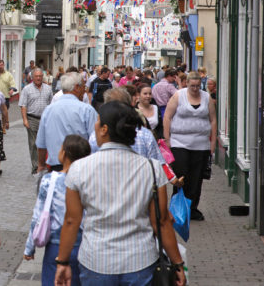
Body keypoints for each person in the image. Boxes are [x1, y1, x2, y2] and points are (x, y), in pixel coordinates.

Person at [55, 101, 187, 286]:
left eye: (98, 121)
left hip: (96, 260)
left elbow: (71, 220)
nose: (95, 125)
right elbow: (162, 221)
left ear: (104, 129)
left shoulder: (79, 168)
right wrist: (177, 263)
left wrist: (62, 261)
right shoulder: (152, 169)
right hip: (140, 262)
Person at [24, 135, 91, 286]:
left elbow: (38, 215)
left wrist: (30, 248)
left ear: (64, 154)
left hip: (56, 246)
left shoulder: (49, 180)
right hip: (84, 246)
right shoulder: (89, 181)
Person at [164, 71, 217, 222]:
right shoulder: (178, 96)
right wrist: (168, 140)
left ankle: (192, 208)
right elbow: (167, 116)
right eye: (192, 85)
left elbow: (213, 120)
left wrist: (212, 142)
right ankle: (178, 207)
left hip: (201, 144)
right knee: (181, 174)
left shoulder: (206, 97)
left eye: (197, 85)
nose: (195, 88)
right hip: (179, 142)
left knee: (196, 177)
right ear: (186, 83)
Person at [36, 73, 97, 172]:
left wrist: (41, 165)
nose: (84, 91)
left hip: (56, 167)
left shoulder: (49, 110)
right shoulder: (87, 110)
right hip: (81, 167)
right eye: (83, 87)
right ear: (77, 87)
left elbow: (41, 144)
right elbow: (95, 141)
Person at [19, 68, 53, 174]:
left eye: (40, 76)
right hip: (32, 118)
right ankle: (35, 166)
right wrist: (25, 120)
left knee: (46, 143)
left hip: (45, 119)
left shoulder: (48, 88)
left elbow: (52, 104)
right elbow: (23, 105)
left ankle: (44, 164)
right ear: (32, 77)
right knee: (33, 144)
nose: (38, 78)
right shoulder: (27, 89)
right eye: (36, 76)